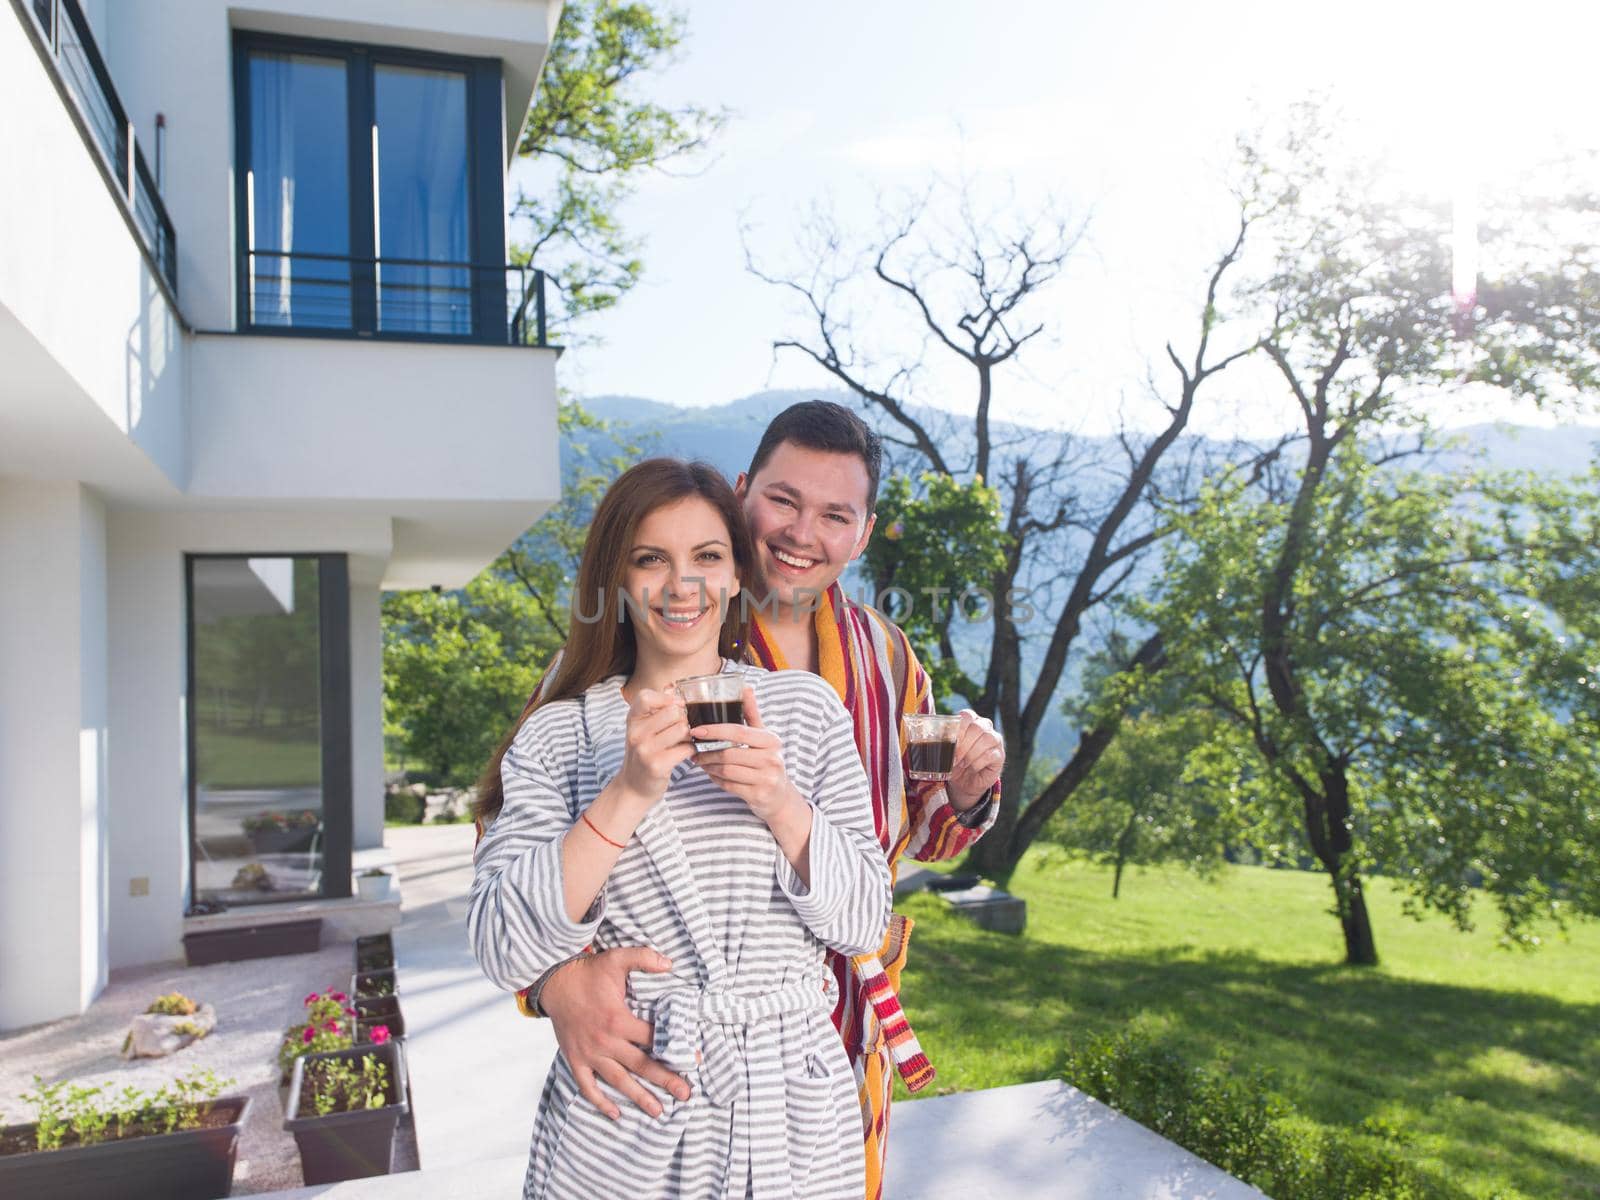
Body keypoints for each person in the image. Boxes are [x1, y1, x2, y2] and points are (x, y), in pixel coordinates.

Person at [488, 401, 1006, 1199]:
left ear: (863, 533)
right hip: (665, 1033)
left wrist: (967, 792)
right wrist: (555, 985)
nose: (804, 532)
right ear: (742, 495)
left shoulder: (886, 657)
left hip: (827, 1023)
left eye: (835, 514)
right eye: (784, 501)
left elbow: (917, 827)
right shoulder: (599, 680)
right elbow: (514, 853)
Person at [470, 458, 891, 1199]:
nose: (681, 585)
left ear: (736, 576)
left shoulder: (806, 713)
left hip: (793, 1108)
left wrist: (782, 805)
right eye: (650, 559)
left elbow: (864, 923)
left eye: (707, 557)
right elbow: (505, 946)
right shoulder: (558, 739)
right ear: (616, 581)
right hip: (630, 1110)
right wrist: (628, 791)